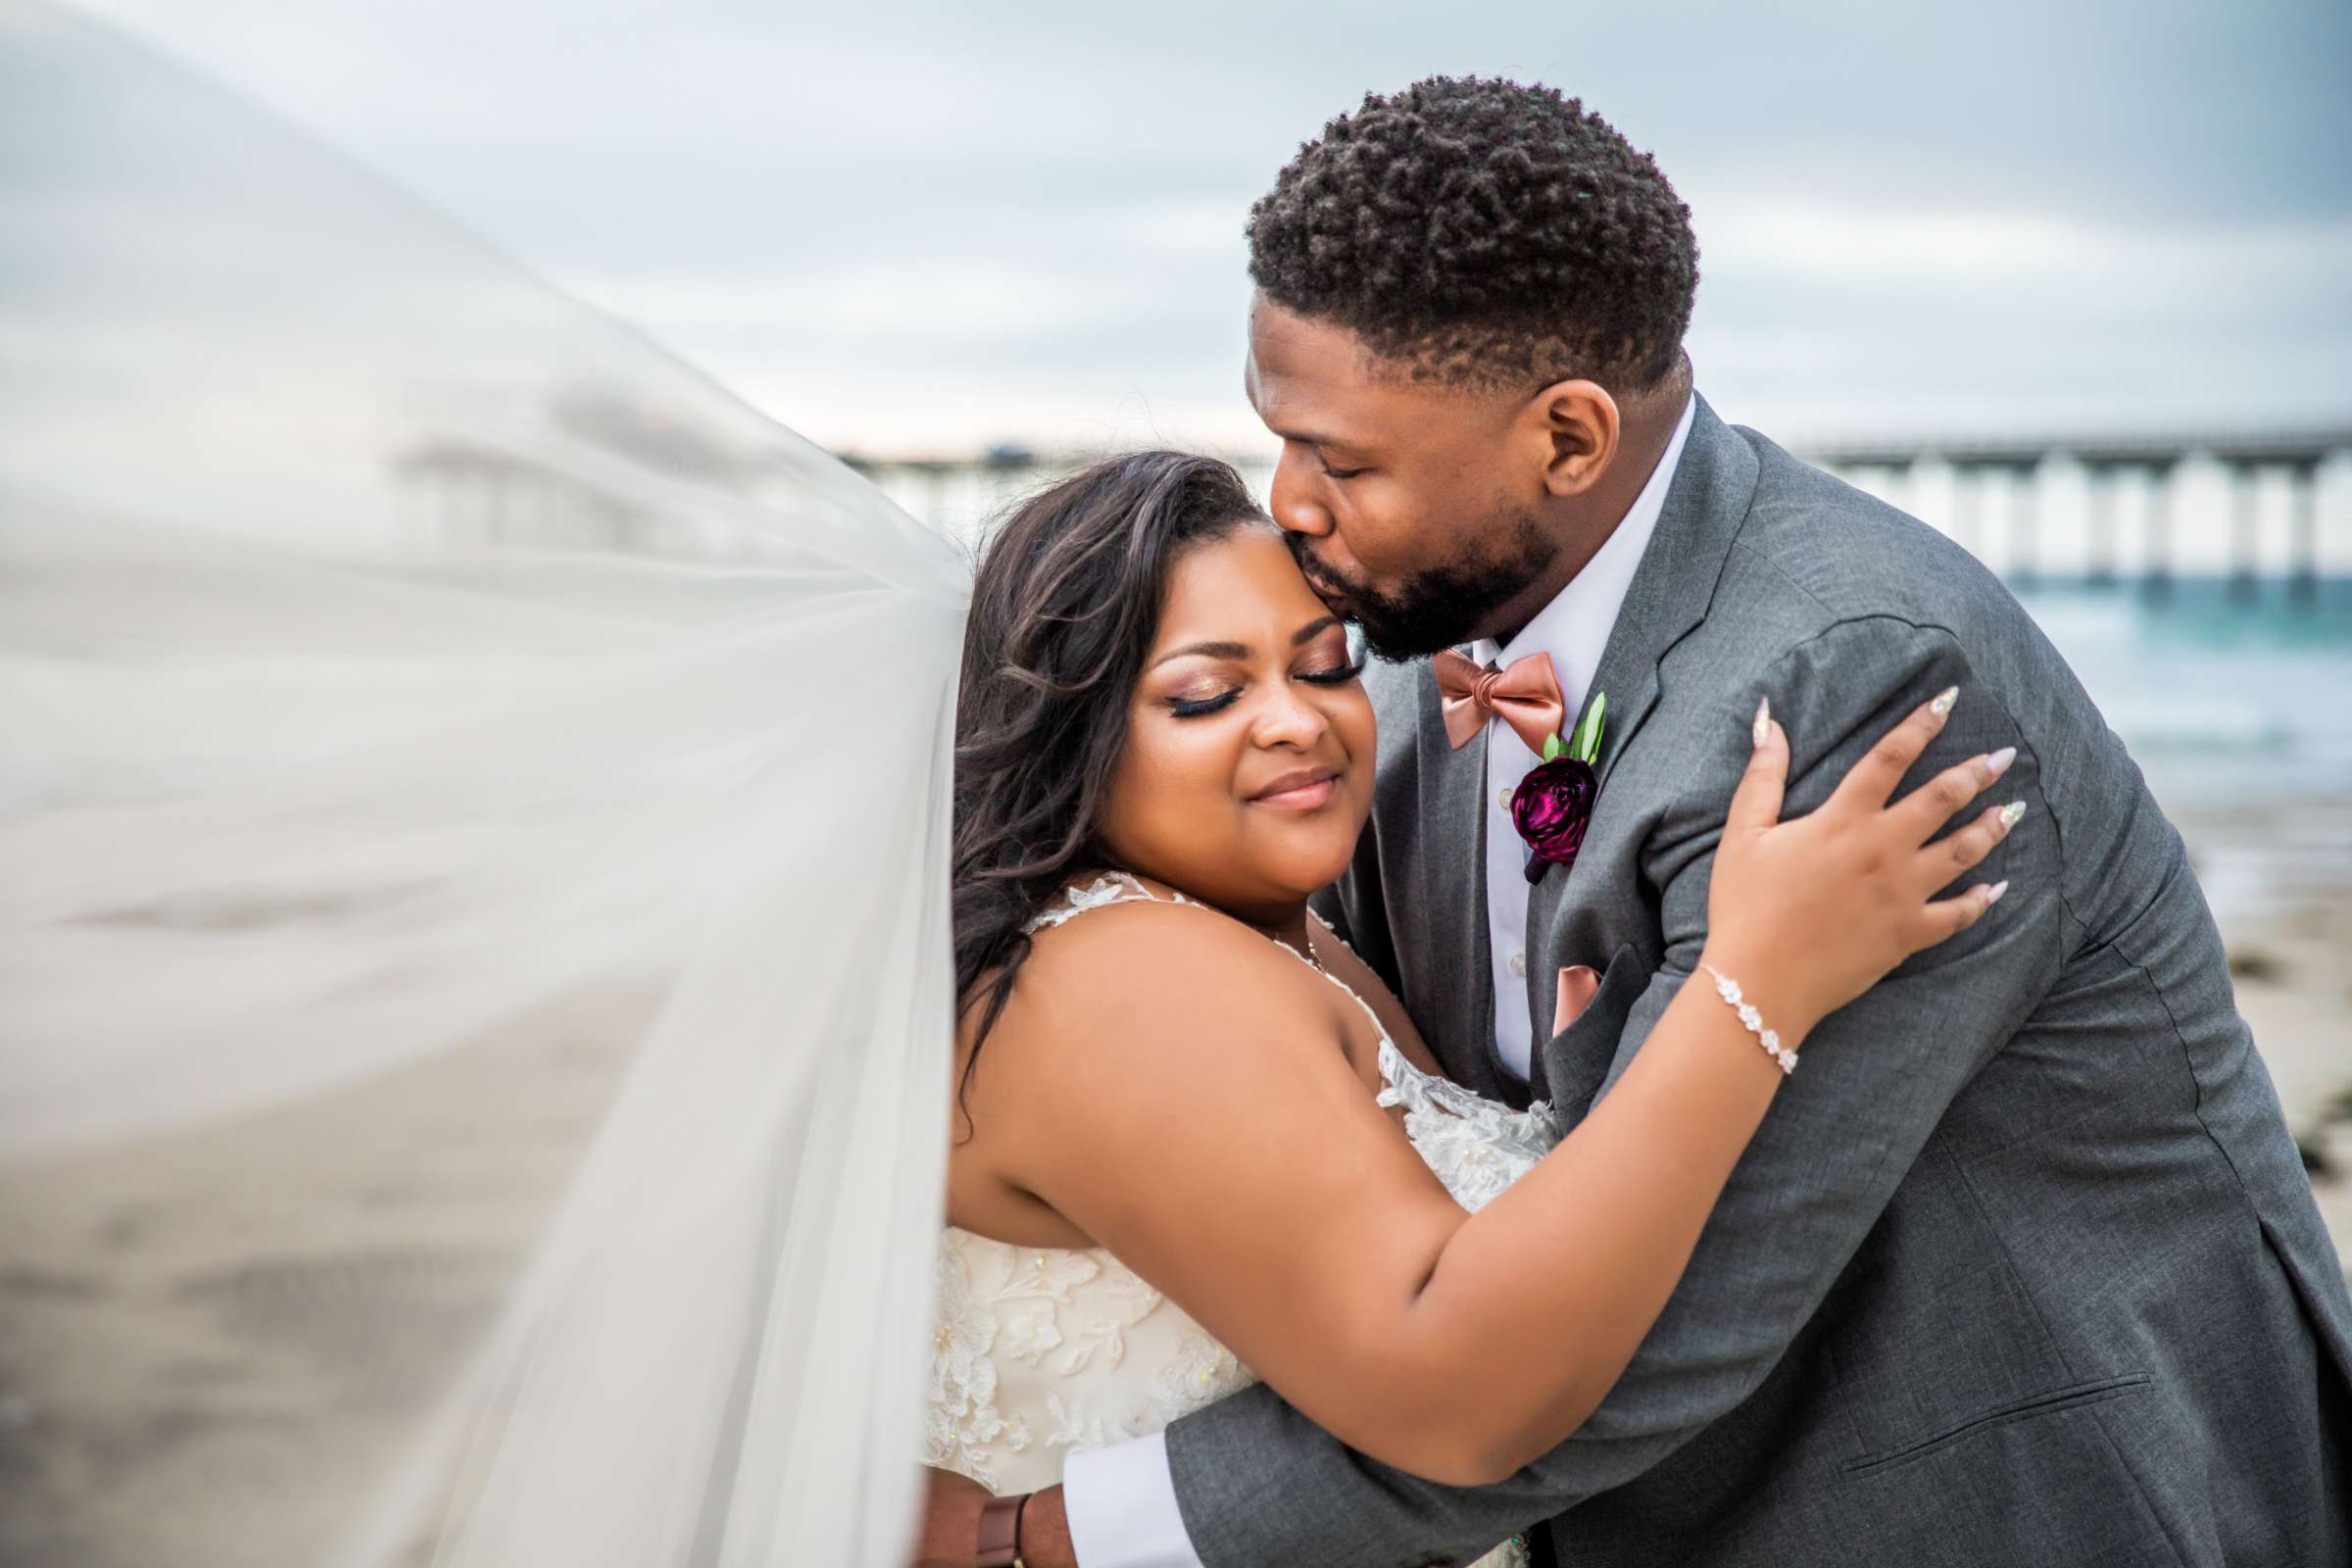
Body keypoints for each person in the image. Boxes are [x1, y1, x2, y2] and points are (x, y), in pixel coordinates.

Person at [919, 77, 2352, 1568]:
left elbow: (1645, 1335)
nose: (1289, 508)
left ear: (1568, 438)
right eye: (1279, 437)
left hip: (1990, 1508)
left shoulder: (1855, 692)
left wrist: (1056, 1536)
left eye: (1344, 462)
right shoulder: (1397, 671)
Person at [914, 451, 2014, 1566]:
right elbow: (1453, 1381)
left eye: (1326, 668)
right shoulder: (1126, 978)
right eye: (1208, 694)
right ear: (1071, 737)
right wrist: (1756, 982)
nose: (1298, 722)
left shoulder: (1292, 936)